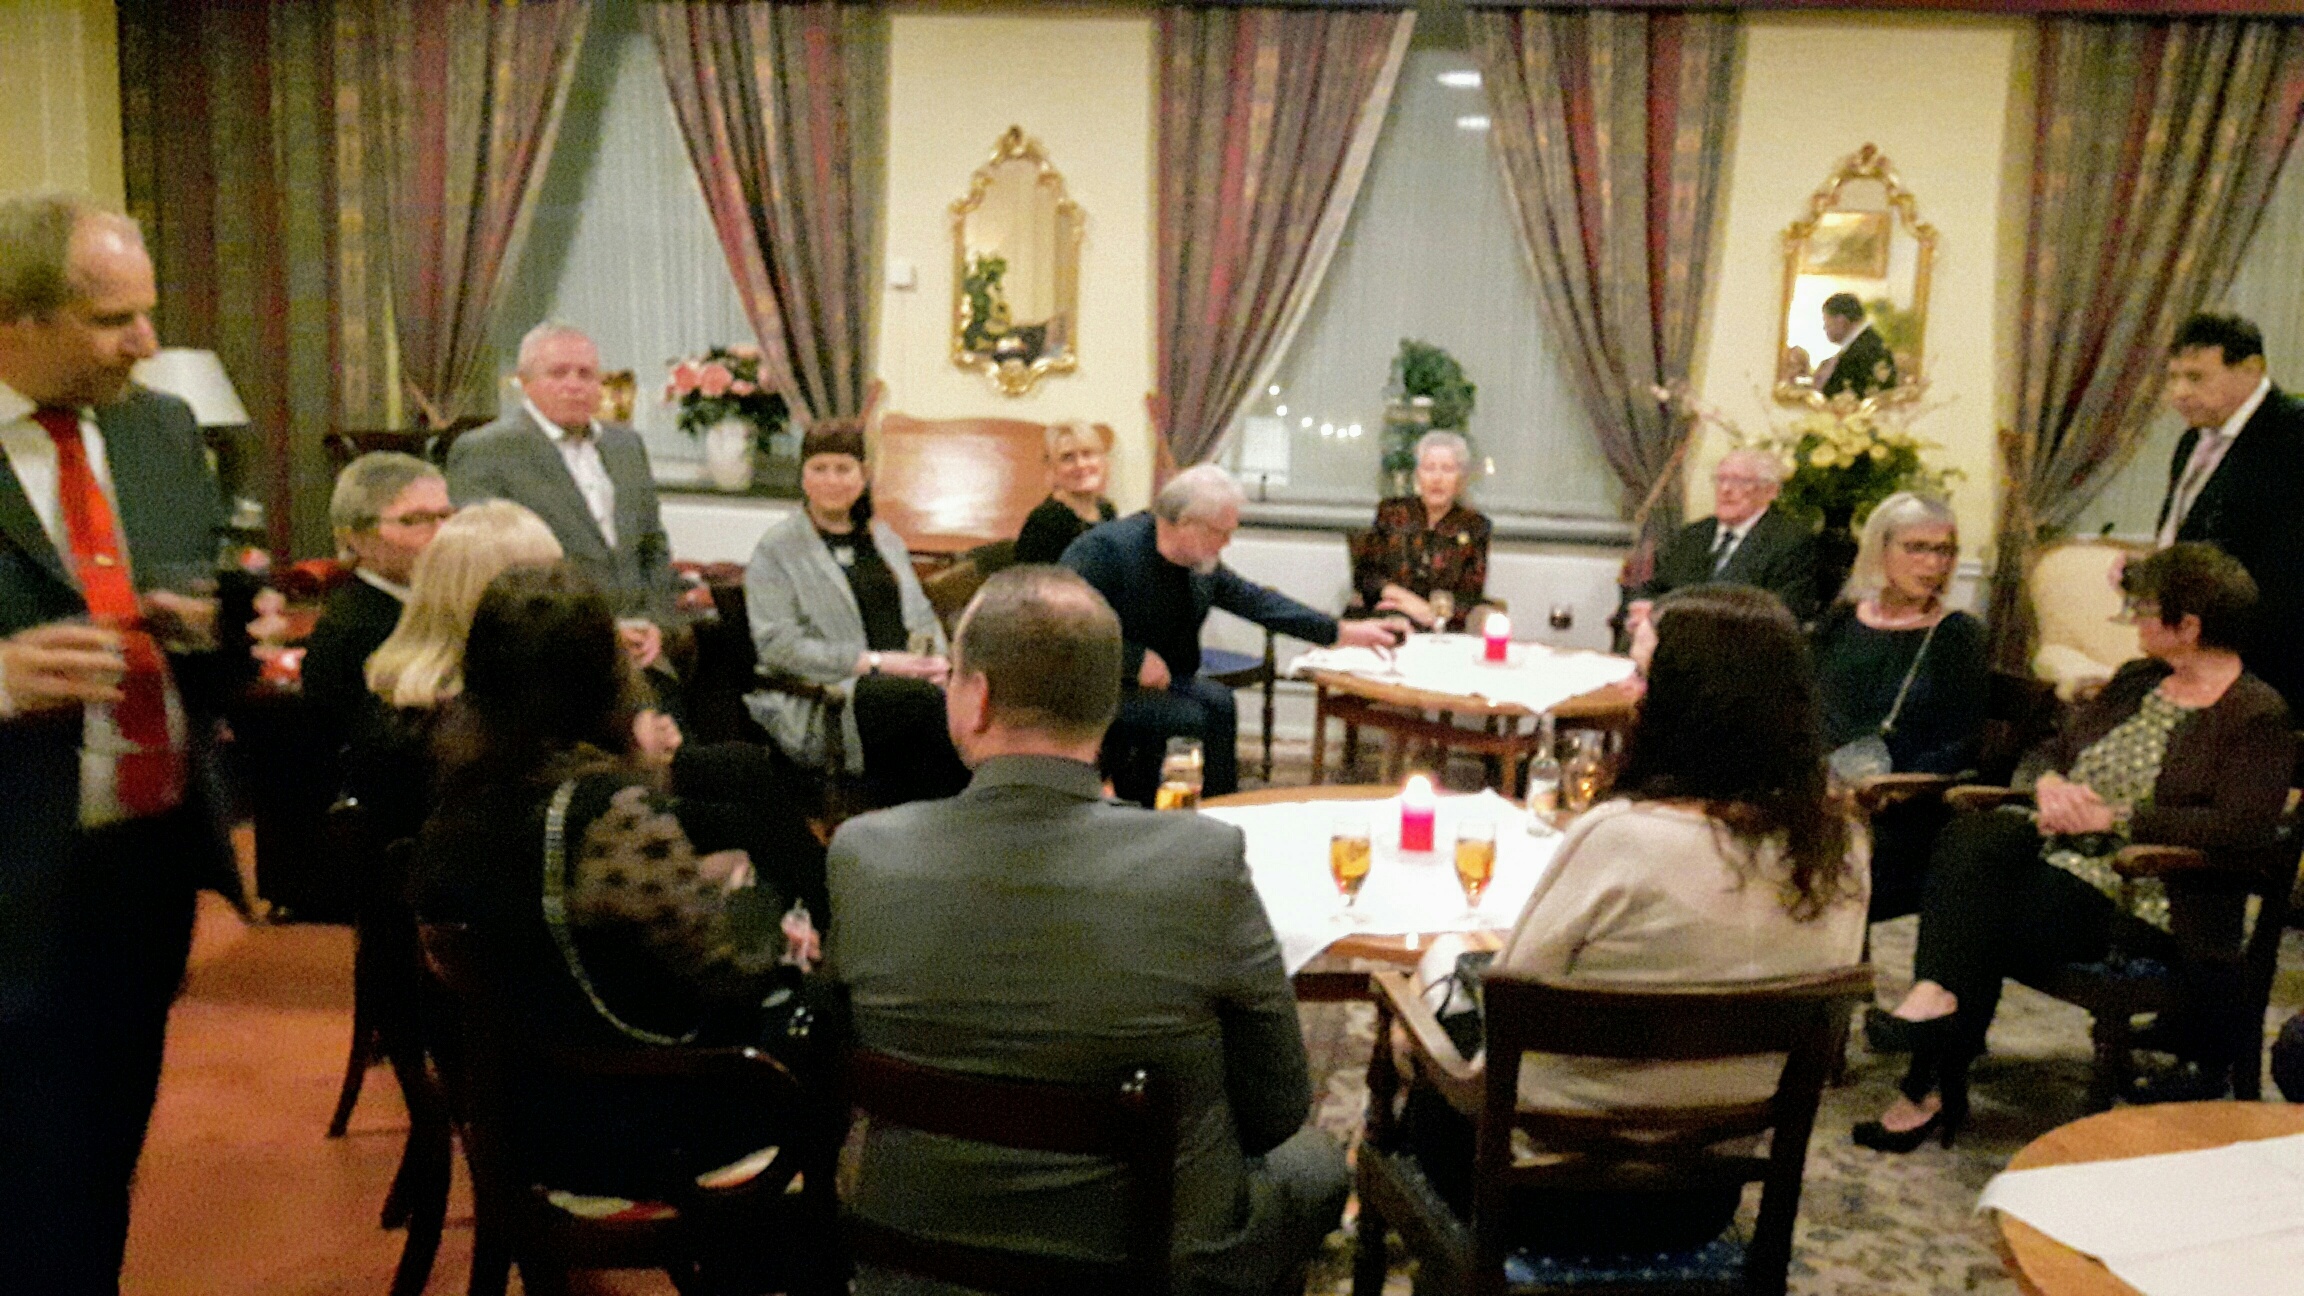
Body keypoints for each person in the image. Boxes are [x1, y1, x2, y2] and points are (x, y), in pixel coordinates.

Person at [827, 565, 1349, 1295]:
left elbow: (835, 1065)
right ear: (1109, 706)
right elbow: (1276, 1111)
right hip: (1150, 1268)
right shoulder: (1203, 860)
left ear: (976, 698)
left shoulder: (862, 854)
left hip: (912, 1264)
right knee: (1318, 1163)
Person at [1409, 584, 1867, 1255]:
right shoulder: (1843, 845)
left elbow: (1507, 1015)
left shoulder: (1624, 836)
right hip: (1702, 1198)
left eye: (1645, 675)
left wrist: (1422, 1025)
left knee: (1437, 977)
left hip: (1536, 1194)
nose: (1629, 691)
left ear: (1689, 702)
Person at [416, 565, 829, 1222]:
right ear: (605, 679)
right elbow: (730, 974)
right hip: (637, 1129)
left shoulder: (457, 798)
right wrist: (770, 924)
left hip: (525, 1116)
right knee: (829, 1018)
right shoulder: (610, 816)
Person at [0, 193, 247, 1294]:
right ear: (16, 320)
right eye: (112, 321)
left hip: (142, 864)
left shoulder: (159, 428)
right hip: (9, 867)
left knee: (98, 1161)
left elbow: (203, 611)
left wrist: (217, 630)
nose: (146, 343)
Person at [1856, 544, 2292, 1150]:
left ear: (2188, 626)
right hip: (2056, 861)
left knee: (1975, 911)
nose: (2135, 622)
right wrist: (2052, 786)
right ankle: (1935, 1018)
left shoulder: (2254, 714)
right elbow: (2059, 753)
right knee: (1973, 837)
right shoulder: (2139, 680)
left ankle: (1928, 1075)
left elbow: (2243, 831)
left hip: (2147, 897)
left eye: (2145, 611)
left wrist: (2117, 817)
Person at [1062, 464, 1401, 803]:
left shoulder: (1197, 563)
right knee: (1187, 719)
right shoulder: (1104, 552)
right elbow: (1061, 629)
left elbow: (1257, 602)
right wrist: (1133, 659)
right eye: (1220, 532)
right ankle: (1156, 811)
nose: (1227, 543)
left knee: (1220, 703)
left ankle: (1221, 807)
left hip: (1166, 680)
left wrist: (1342, 632)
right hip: (1098, 686)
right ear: (1186, 523)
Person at [743, 419, 969, 807]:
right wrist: (875, 662)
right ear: (803, 477)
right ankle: (950, 823)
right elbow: (778, 647)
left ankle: (949, 822)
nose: (832, 480)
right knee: (925, 706)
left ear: (863, 475)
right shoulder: (776, 549)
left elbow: (920, 616)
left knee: (965, 699)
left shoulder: (884, 540)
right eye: (819, 469)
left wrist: (936, 663)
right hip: (831, 699)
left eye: (843, 469)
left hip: (906, 685)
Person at [447, 321, 685, 670]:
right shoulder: (487, 450)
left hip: (642, 649)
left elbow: (653, 546)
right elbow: (486, 567)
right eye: (558, 373)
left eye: (586, 374)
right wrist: (597, 632)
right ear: (525, 382)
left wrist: (656, 624)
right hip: (548, 652)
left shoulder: (626, 445)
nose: (574, 385)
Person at [1812, 492, 1987, 919]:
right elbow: (1803, 708)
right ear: (1880, 549)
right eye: (1917, 548)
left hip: (1900, 808)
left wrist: (1878, 791)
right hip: (1820, 790)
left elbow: (1959, 745)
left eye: (1944, 551)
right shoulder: (1841, 621)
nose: (1933, 564)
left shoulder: (1957, 635)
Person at [2153, 312, 2304, 716]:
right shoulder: (2192, 440)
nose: (2179, 393)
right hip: (2196, 655)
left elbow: (2287, 570)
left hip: (2267, 668)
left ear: (2251, 369)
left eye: (2196, 377)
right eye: (2173, 377)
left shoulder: (2294, 435)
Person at [302, 452, 449, 756]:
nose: (441, 534)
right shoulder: (358, 627)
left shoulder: (439, 604)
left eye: (446, 516)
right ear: (356, 538)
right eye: (414, 520)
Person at [1629, 447, 1820, 625]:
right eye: (1721, 479)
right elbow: (1657, 587)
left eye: (1740, 481)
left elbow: (1783, 616)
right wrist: (1643, 607)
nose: (1725, 489)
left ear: (1770, 491)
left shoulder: (1790, 542)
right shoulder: (1693, 535)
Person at [1348, 429, 1491, 631]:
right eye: (1429, 468)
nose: (1437, 478)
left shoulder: (1474, 526)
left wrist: (1424, 613)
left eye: (1447, 469)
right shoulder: (1392, 513)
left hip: (1442, 629)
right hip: (1385, 620)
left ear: (1461, 478)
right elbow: (1367, 577)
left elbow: (1470, 596)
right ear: (1417, 474)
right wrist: (1406, 601)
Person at [1012, 419, 1117, 564]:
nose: (1081, 464)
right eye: (1068, 458)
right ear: (1052, 468)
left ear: (1103, 461)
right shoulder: (1045, 522)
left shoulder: (1107, 511)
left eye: (1087, 454)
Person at [1816, 292, 1896, 399]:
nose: (1824, 328)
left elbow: (1835, 396)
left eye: (1826, 321)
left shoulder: (1858, 353)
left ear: (1840, 321)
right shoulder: (1872, 342)